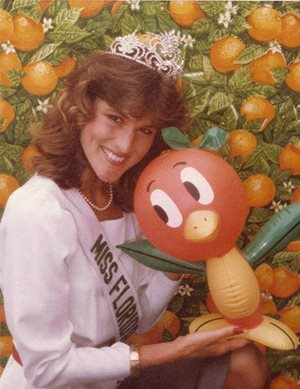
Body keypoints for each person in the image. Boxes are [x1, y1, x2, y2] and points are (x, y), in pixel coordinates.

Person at [0, 31, 268, 389]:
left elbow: (138, 321)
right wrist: (177, 351)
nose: (126, 146)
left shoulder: (127, 200)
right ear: (81, 109)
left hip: (111, 378)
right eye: (114, 118)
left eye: (144, 129)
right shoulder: (37, 212)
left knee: (244, 359)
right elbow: (47, 368)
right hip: (50, 384)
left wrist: (181, 257)